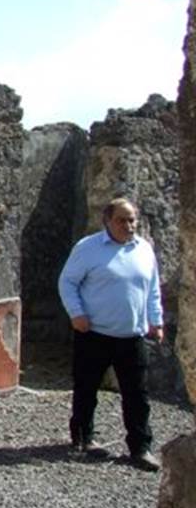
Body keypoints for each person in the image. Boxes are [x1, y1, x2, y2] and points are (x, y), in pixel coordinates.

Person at [57, 197, 164, 472]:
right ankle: (82, 439)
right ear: (107, 221)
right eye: (122, 220)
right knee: (86, 388)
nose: (128, 225)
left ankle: (140, 448)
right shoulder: (88, 249)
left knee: (137, 394)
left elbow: (152, 288)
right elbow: (67, 282)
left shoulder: (144, 250)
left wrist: (156, 320)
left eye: (132, 219)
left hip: (132, 336)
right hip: (95, 333)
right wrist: (76, 314)